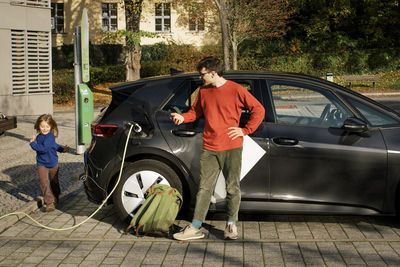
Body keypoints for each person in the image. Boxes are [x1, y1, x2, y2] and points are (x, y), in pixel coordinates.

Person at [171, 56, 265, 240]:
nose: (201, 78)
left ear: (213, 73)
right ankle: (195, 226)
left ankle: (231, 225)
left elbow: (258, 109)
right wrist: (183, 118)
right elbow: (196, 112)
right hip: (210, 147)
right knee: (204, 188)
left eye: (203, 74)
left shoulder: (236, 90)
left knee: (232, 188)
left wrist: (245, 130)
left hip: (232, 146)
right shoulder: (204, 91)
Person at [29, 114, 68, 212]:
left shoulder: (50, 136)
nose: (44, 129)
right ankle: (49, 203)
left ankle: (56, 196)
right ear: (38, 126)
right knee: (44, 183)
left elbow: (45, 148)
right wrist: (61, 149)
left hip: (52, 163)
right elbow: (53, 146)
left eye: (47, 126)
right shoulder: (39, 136)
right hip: (41, 163)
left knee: (54, 182)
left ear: (51, 127)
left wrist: (32, 143)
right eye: (42, 126)